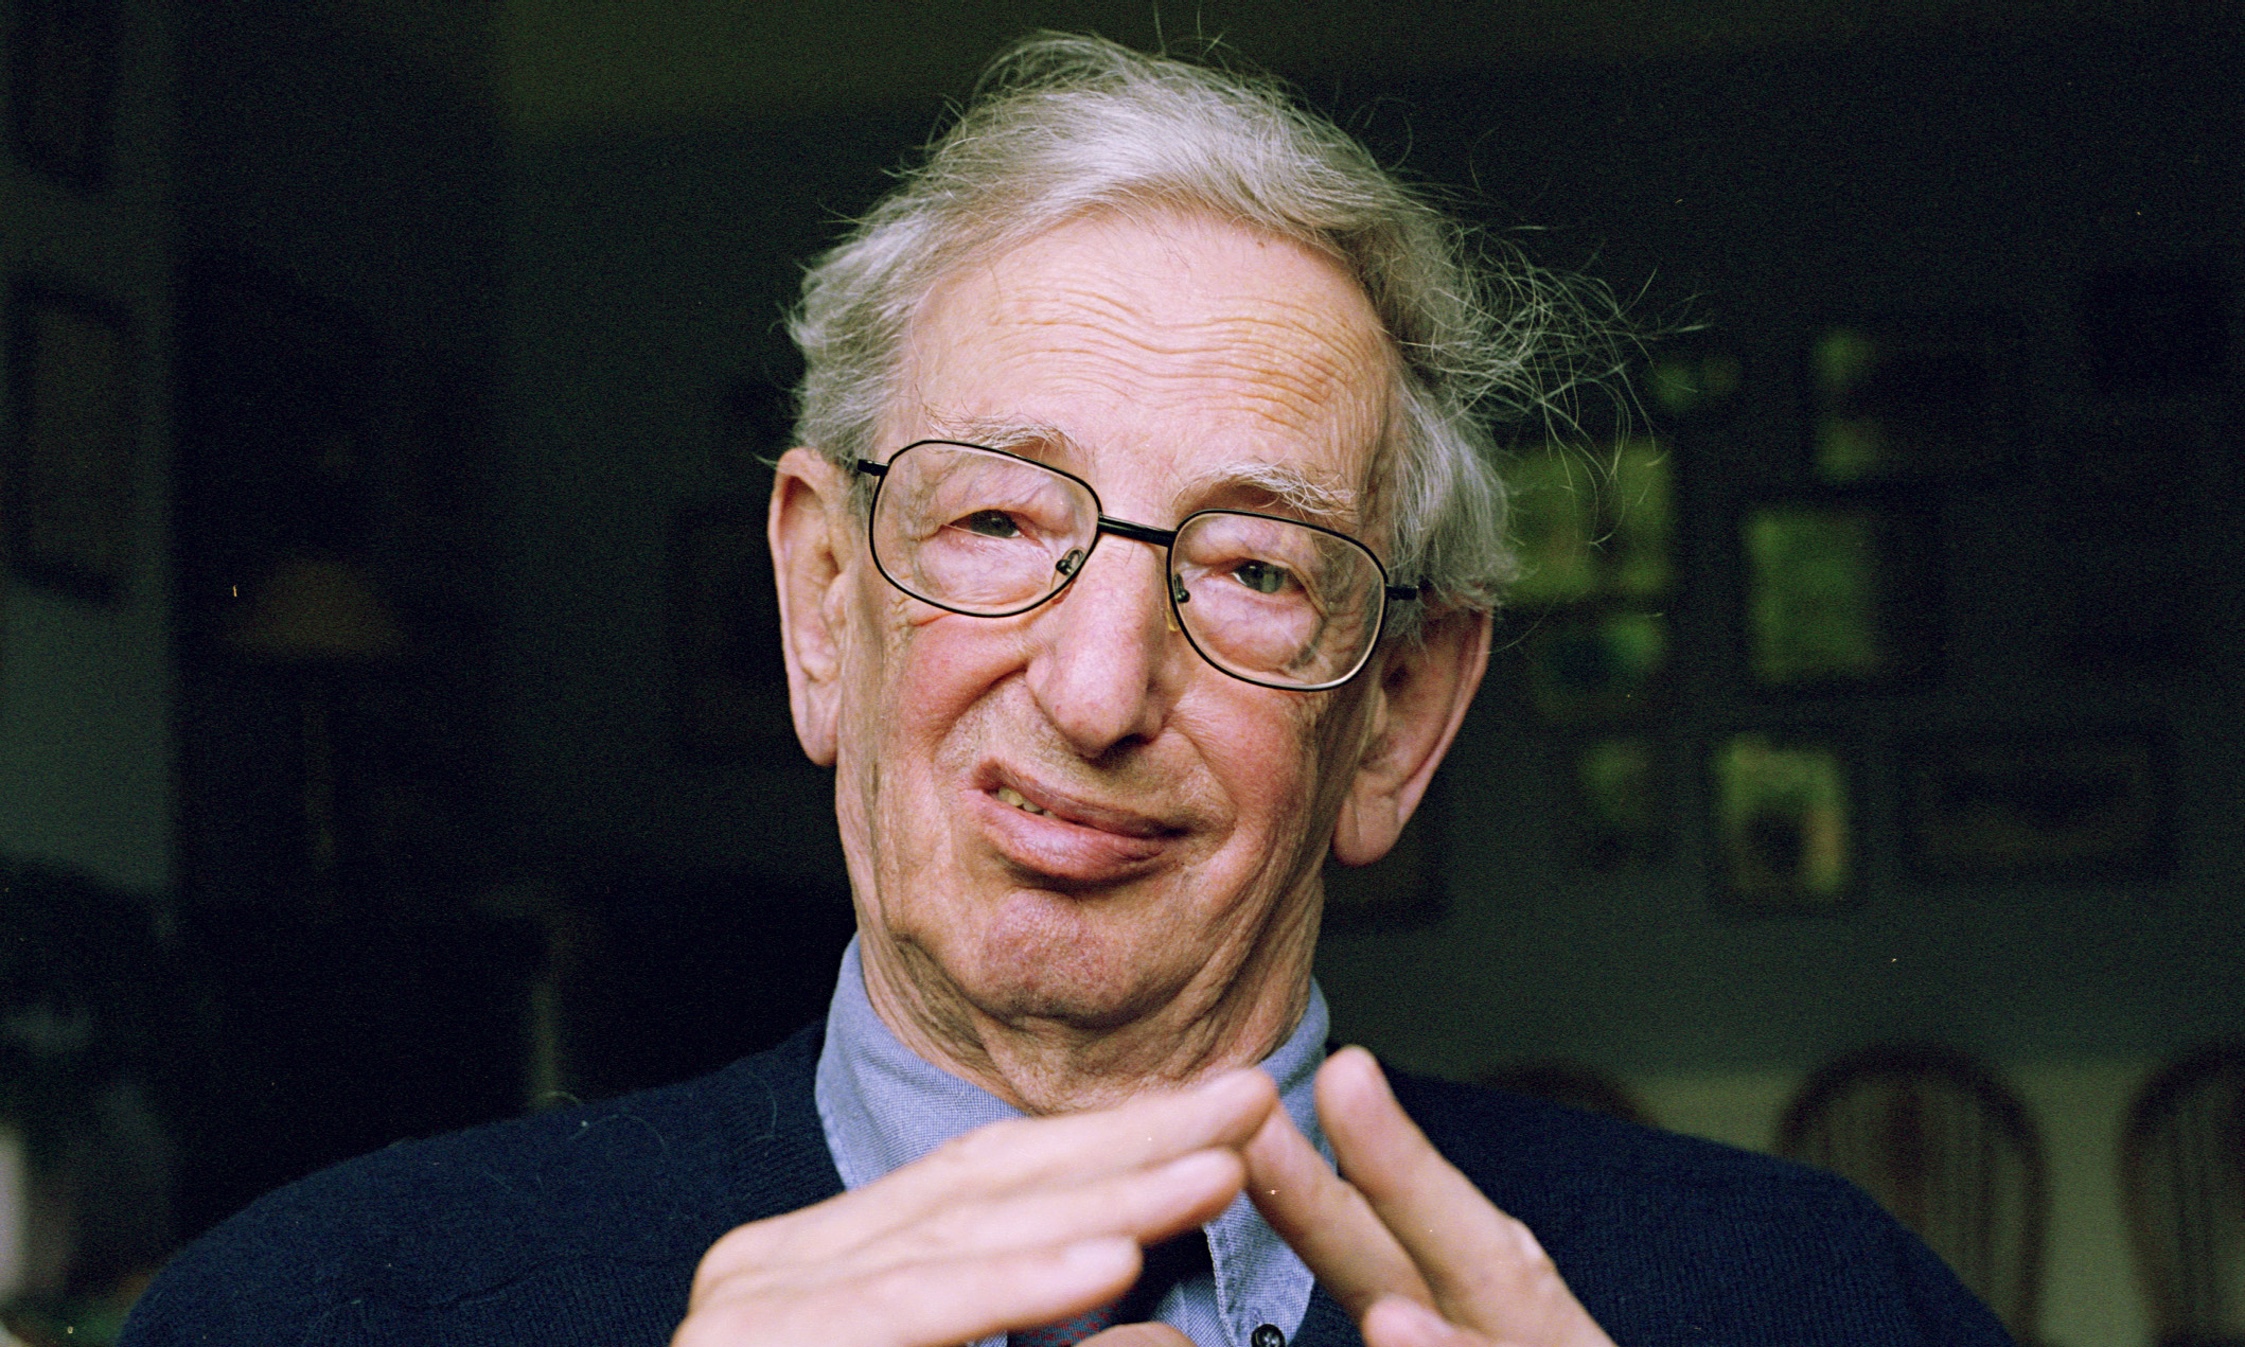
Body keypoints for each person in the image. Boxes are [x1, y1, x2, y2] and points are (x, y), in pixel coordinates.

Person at [123, 35, 2010, 1347]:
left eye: (1255, 567)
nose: (1098, 689)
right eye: (997, 521)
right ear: (820, 601)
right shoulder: (309, 1311)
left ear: (1400, 716)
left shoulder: (1820, 1304)